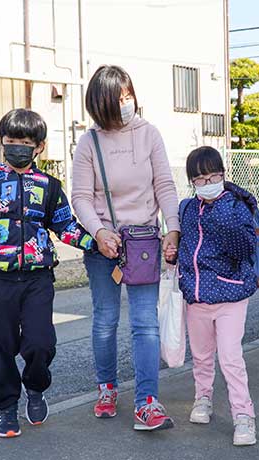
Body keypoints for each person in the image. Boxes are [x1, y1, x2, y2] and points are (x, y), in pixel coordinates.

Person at [0, 108, 96, 438]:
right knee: (0, 347)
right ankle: (6, 407)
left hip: (37, 279)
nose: (17, 146)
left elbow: (65, 226)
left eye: (25, 142)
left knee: (40, 344)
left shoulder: (49, 186)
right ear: (2, 141)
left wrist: (97, 243)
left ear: (39, 146)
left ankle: (35, 387)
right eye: (11, 140)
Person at [71, 65, 180, 431]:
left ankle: (147, 401)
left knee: (145, 324)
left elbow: (164, 184)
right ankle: (106, 388)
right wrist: (100, 233)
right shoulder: (89, 143)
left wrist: (173, 228)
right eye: (116, 99)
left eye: (127, 95)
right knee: (105, 321)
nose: (125, 103)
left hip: (145, 243)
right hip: (104, 245)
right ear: (99, 105)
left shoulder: (149, 134)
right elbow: (81, 197)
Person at [164, 146, 259, 446]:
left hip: (231, 295)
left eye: (214, 176)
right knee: (202, 358)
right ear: (192, 182)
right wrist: (171, 255)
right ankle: (202, 399)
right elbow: (186, 250)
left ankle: (244, 417)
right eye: (201, 179)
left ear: (223, 175)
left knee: (231, 358)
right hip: (198, 297)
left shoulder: (236, 206)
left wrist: (221, 216)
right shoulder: (187, 209)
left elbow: (244, 251)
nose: (208, 183)